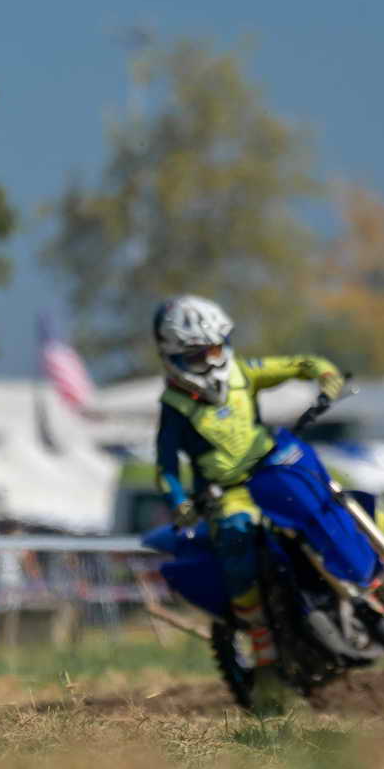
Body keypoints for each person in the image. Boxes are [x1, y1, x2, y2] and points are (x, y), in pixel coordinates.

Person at [151, 294, 346, 707]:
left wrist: (326, 375)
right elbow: (166, 465)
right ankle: (264, 655)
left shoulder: (244, 372)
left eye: (215, 349)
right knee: (237, 541)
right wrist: (179, 501)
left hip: (273, 472)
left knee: (329, 506)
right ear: (174, 357)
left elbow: (301, 364)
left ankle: (371, 593)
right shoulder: (174, 406)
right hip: (227, 494)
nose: (211, 362)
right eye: (198, 356)